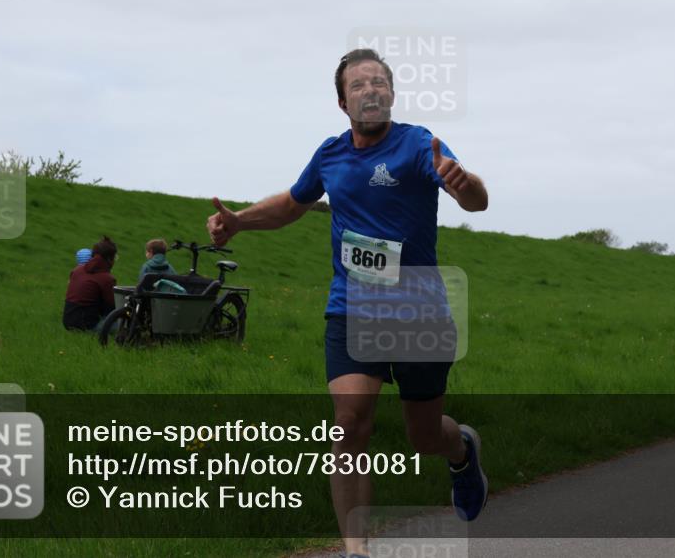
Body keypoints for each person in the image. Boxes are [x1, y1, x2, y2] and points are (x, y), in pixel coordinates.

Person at [206, 48, 489, 558]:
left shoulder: (418, 144)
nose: (370, 90)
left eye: (379, 82)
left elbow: (475, 199)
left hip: (419, 311)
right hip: (352, 307)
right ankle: (356, 549)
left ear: (392, 94)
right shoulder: (330, 155)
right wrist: (239, 222)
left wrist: (466, 185)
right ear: (342, 102)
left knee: (424, 436)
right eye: (358, 85)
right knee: (349, 424)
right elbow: (292, 204)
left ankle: (461, 450)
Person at [63, 236, 118, 331]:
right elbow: (112, 308)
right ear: (110, 259)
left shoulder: (77, 270)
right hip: (88, 326)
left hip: (67, 323)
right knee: (123, 322)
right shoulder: (107, 278)